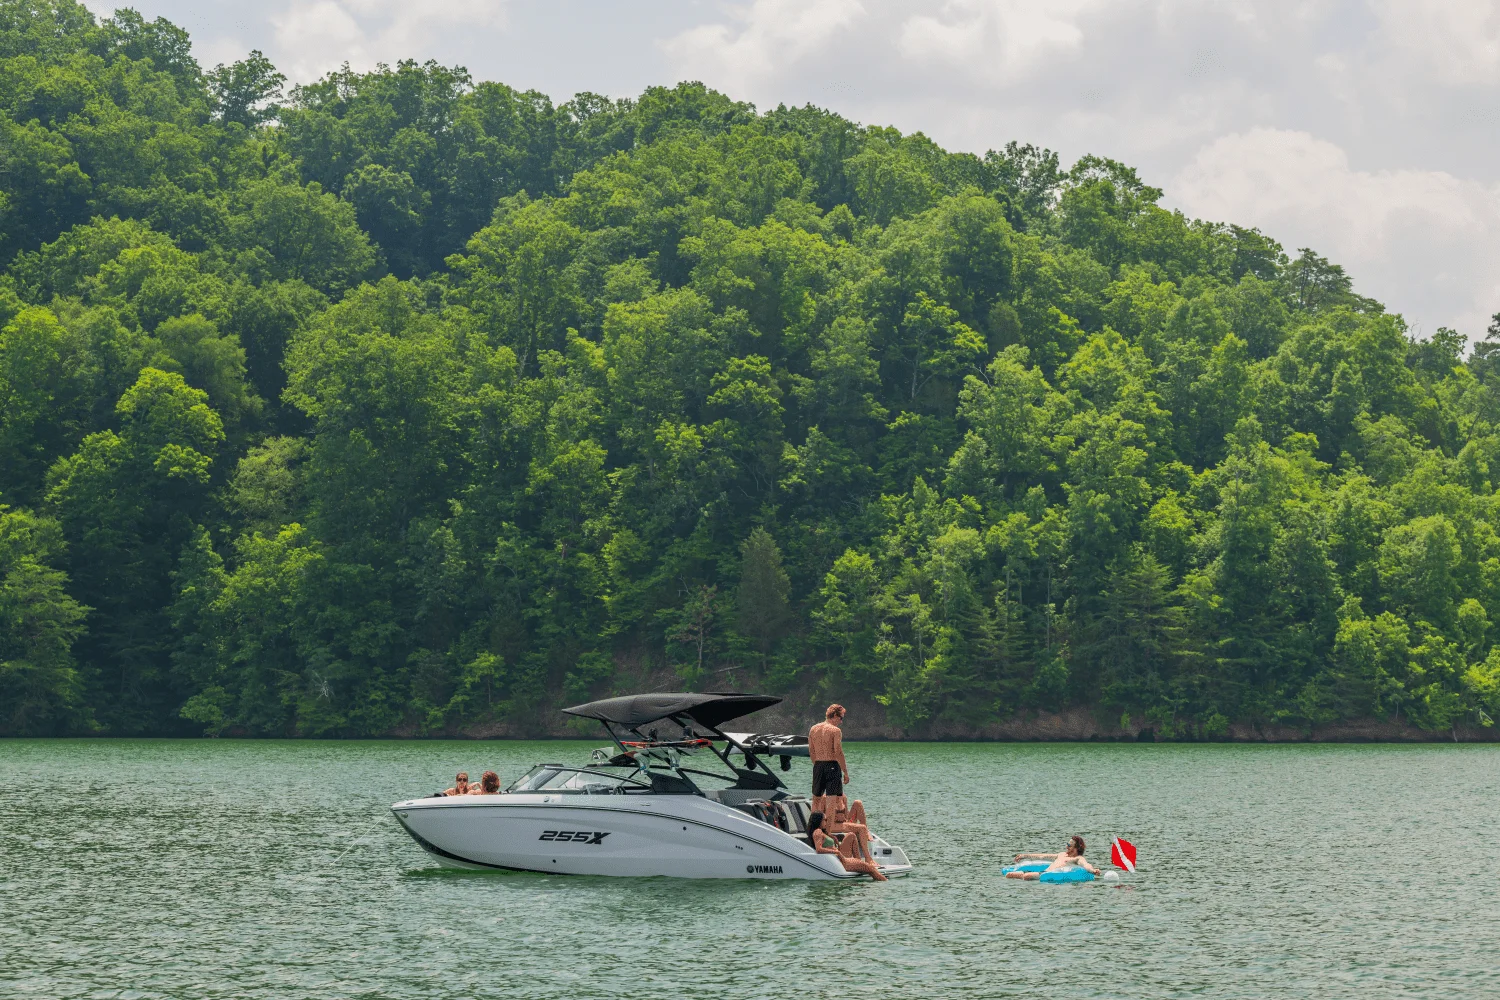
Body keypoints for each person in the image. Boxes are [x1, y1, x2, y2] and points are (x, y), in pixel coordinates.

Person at [806, 811, 886, 881]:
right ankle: (885, 883)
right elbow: (819, 849)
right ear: (819, 820)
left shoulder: (819, 832)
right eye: (825, 820)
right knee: (871, 869)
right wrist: (836, 852)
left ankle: (859, 863)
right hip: (841, 861)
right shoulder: (818, 832)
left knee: (851, 835)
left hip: (840, 859)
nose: (826, 822)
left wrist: (833, 838)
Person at [808, 703, 850, 816]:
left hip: (818, 765)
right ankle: (830, 826)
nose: (841, 722)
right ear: (835, 715)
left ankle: (813, 824)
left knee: (816, 800)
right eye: (841, 718)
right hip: (832, 765)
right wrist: (845, 772)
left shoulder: (813, 729)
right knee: (832, 801)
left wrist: (817, 765)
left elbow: (811, 751)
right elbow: (838, 752)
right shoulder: (835, 731)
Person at [1006, 835, 1102, 880]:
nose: (1066, 846)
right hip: (1043, 872)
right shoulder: (1061, 854)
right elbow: (1042, 856)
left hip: (1045, 875)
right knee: (1008, 875)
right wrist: (1024, 856)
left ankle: (1024, 876)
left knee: (1027, 876)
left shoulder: (1077, 858)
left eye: (1069, 845)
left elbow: (1086, 865)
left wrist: (1093, 871)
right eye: (1067, 844)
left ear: (1076, 848)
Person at [828, 797, 876, 863]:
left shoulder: (843, 797)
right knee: (862, 828)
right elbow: (823, 816)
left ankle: (866, 831)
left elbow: (846, 815)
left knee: (858, 803)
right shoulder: (827, 798)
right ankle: (868, 858)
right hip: (833, 825)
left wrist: (844, 818)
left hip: (843, 823)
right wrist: (835, 817)